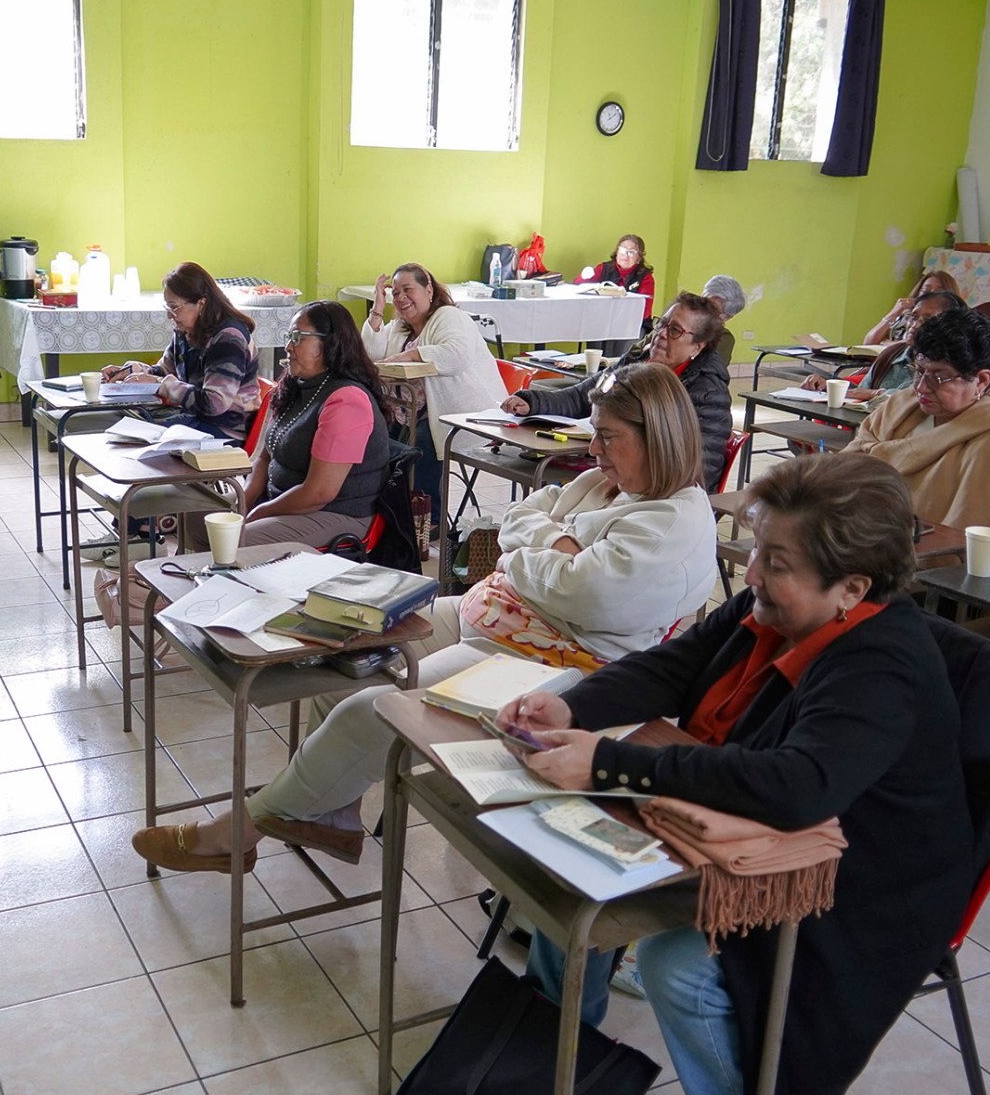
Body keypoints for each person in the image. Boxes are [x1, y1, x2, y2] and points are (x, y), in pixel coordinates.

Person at [503, 452, 969, 1095]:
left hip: (860, 883)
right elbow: (676, 665)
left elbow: (797, 786)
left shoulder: (881, 663)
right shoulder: (778, 608)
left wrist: (608, 761)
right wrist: (572, 707)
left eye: (775, 563)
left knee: (679, 967)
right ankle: (552, 1042)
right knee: (572, 864)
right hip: (752, 831)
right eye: (757, 550)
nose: (751, 573)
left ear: (852, 588)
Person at [131, 363, 718, 870]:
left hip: (551, 660)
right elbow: (516, 521)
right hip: (495, 615)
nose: (594, 451)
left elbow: (586, 595)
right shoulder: (601, 482)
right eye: (595, 434)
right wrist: (552, 547)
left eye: (608, 438)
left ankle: (236, 834)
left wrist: (530, 552)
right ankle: (332, 812)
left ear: (658, 437)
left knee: (370, 709)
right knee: (337, 665)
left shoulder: (674, 521)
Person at [181, 301, 388, 553]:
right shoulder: (297, 386)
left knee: (230, 541)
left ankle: (226, 574)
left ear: (330, 343)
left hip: (333, 513)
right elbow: (265, 457)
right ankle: (215, 572)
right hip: (284, 503)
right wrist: (243, 502)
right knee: (195, 518)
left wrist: (260, 512)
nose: (289, 346)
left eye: (298, 337)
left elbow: (319, 492)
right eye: (289, 337)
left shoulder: (347, 400)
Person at [844, 306, 990, 543]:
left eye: (939, 377)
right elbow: (847, 468)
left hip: (932, 558)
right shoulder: (903, 406)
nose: (921, 387)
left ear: (981, 380)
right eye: (919, 371)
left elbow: (972, 540)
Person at [504, 292, 732, 491]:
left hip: (663, 491)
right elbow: (584, 396)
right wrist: (532, 402)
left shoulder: (708, 392)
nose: (661, 334)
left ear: (697, 346)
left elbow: (699, 467)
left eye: (675, 331)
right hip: (621, 474)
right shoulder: (638, 360)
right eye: (662, 324)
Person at [363, 262, 508, 529]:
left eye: (408, 289)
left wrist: (411, 355)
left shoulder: (448, 317)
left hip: (464, 414)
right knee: (377, 438)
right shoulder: (400, 327)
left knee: (422, 444)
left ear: (428, 290)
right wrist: (378, 307)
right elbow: (372, 353)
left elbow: (456, 355)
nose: (401, 298)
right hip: (412, 412)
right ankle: (391, 513)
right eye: (395, 293)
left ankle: (429, 521)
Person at [103, 260, 261, 440]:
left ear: (201, 304)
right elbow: (165, 371)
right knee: (125, 421)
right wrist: (134, 371)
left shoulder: (228, 338)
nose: (169, 315)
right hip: (196, 419)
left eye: (174, 307)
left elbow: (214, 403)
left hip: (226, 431)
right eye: (167, 307)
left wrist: (161, 384)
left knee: (138, 432)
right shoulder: (185, 331)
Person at [801, 289, 962, 396]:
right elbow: (861, 391)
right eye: (913, 317)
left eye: (927, 320)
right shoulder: (892, 354)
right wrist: (826, 385)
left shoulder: (950, 365)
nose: (914, 325)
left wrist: (875, 394)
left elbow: (918, 400)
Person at [864, 269, 960, 345]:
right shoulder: (907, 315)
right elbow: (869, 343)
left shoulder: (946, 323)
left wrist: (886, 344)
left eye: (938, 292)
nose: (930, 296)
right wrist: (894, 313)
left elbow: (912, 345)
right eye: (925, 291)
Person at [574, 233, 654, 298]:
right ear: (617, 253)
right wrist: (584, 277)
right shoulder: (603, 268)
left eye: (631, 252)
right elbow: (577, 286)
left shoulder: (645, 277)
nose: (626, 255)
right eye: (623, 250)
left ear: (639, 258)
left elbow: (645, 308)